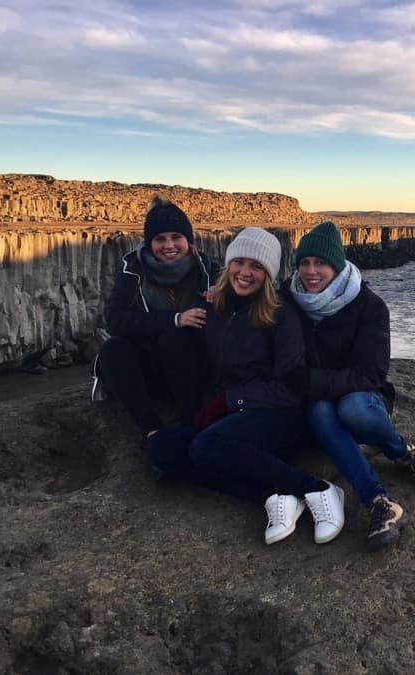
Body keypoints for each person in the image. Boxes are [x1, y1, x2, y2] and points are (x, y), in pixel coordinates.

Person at [147, 227, 345, 546]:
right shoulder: (215, 307)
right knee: (162, 448)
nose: (245, 273)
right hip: (231, 420)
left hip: (278, 416)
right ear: (228, 265)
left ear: (268, 274)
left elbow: (289, 387)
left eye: (256, 266)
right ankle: (274, 496)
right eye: (239, 262)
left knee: (206, 447)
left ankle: (316, 489)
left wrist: (230, 401)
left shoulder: (282, 314)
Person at [282, 220, 415, 552]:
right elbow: (249, 305)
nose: (311, 271)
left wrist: (313, 381)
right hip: (316, 400)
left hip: (361, 396)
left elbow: (372, 374)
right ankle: (380, 503)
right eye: (305, 263)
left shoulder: (369, 306)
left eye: (321, 263)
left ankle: (401, 451)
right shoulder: (288, 299)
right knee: (321, 412)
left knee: (350, 408)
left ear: (337, 266)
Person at [93, 195, 215, 438]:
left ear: (188, 240)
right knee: (112, 349)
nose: (169, 245)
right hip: (149, 368)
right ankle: (152, 431)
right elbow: (115, 320)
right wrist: (173, 319)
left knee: (175, 338)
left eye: (176, 237)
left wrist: (222, 297)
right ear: (149, 243)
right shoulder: (133, 271)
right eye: (160, 239)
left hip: (191, 367)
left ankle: (193, 423)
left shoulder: (208, 270)